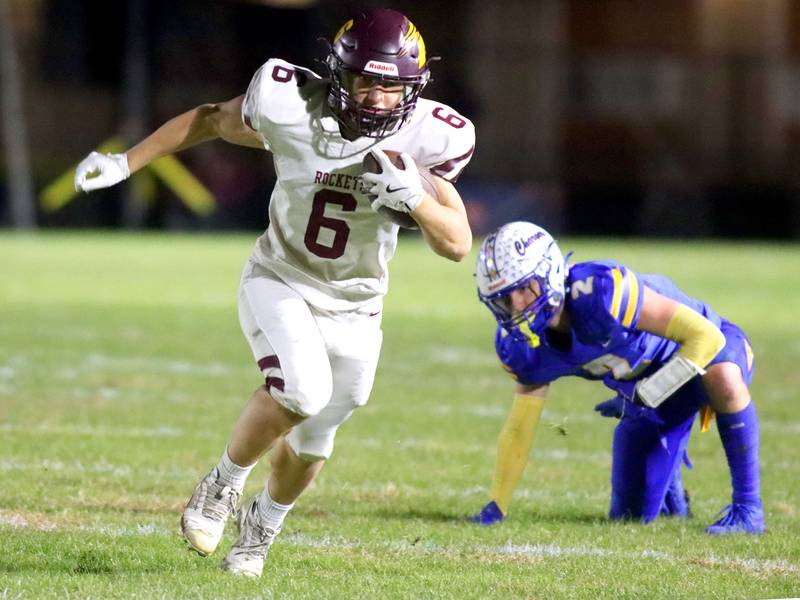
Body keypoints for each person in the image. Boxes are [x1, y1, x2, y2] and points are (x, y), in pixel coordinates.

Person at [74, 8, 474, 576]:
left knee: (315, 440)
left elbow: (456, 244)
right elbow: (212, 119)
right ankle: (222, 483)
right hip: (282, 277)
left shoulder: (431, 137)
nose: (378, 97)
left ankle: (260, 531)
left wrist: (414, 198)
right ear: (337, 73)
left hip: (358, 304)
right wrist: (126, 161)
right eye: (365, 80)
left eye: (392, 86)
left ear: (415, 87)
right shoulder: (293, 106)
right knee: (302, 391)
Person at [467, 221, 763, 534]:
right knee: (630, 516)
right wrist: (497, 504)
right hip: (650, 393)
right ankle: (669, 480)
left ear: (549, 273)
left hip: (708, 351)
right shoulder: (522, 347)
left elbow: (706, 338)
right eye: (503, 299)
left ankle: (748, 508)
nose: (516, 306)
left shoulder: (600, 293)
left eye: (523, 289)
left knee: (723, 377)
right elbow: (519, 427)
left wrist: (647, 395)